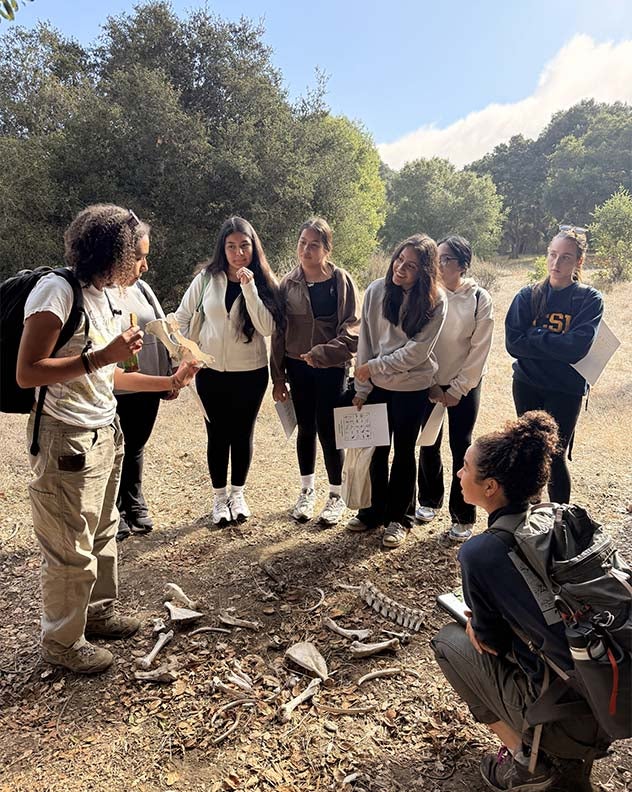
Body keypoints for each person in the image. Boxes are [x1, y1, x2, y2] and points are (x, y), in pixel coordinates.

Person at [17, 204, 199, 674]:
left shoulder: (112, 297)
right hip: (65, 438)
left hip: (106, 431)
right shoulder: (56, 292)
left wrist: (168, 383)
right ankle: (61, 642)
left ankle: (96, 616)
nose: (145, 266)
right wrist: (100, 358)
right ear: (113, 252)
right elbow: (27, 372)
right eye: (139, 256)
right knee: (68, 545)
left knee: (102, 531)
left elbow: (112, 375)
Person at [432, 411, 607, 792]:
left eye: (465, 467)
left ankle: (528, 762)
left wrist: (473, 622)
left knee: (448, 641)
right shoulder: (557, 518)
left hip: (562, 713)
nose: (459, 474)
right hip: (609, 694)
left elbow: (489, 643)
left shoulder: (480, 552)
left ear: (491, 486)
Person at [175, 216, 284, 526]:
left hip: (250, 372)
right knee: (217, 435)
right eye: (231, 247)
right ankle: (219, 497)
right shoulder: (206, 279)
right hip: (211, 372)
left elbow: (266, 327)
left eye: (244, 246)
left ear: (253, 248)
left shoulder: (262, 282)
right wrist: (186, 354)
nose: (238, 254)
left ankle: (238, 494)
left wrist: (249, 289)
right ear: (222, 249)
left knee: (242, 433)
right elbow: (183, 318)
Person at [348, 233, 447, 548]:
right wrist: (362, 388)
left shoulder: (436, 301)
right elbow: (365, 341)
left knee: (404, 453)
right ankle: (373, 511)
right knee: (376, 450)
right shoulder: (377, 291)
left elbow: (417, 353)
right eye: (399, 260)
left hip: (412, 388)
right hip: (377, 387)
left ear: (425, 273)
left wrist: (374, 368)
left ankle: (400, 518)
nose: (400, 269)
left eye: (412, 266)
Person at [271, 218, 360, 526]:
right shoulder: (288, 284)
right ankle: (307, 490)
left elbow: (353, 328)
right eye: (302, 243)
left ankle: (336, 495)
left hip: (331, 367)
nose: (306, 250)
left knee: (329, 430)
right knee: (306, 428)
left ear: (326, 248)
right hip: (297, 367)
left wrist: (324, 352)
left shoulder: (340, 280)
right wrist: (278, 377)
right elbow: (279, 333)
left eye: (314, 244)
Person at [505, 225, 603, 503]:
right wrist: (555, 345)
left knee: (555, 456)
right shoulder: (527, 295)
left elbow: (577, 348)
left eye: (566, 257)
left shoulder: (589, 299)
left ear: (579, 262)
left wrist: (535, 335)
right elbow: (513, 344)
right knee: (527, 451)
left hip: (565, 389)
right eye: (552, 254)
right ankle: (528, 516)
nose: (556, 263)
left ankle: (560, 521)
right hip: (527, 384)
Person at [416, 235, 494, 542]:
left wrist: (457, 389)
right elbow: (420, 341)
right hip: (429, 381)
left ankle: (463, 515)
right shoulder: (427, 294)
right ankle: (428, 500)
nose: (438, 265)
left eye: (445, 259)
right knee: (428, 442)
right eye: (435, 258)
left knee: (461, 445)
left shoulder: (478, 299)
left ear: (462, 265)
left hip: (465, 383)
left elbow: (479, 350)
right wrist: (433, 384)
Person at [109, 261, 175, 542]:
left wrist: (170, 371)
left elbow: (162, 330)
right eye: (138, 256)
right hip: (113, 385)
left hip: (148, 381)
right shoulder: (99, 290)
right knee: (112, 449)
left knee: (136, 444)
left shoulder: (144, 289)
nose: (146, 265)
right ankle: (113, 509)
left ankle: (133, 501)